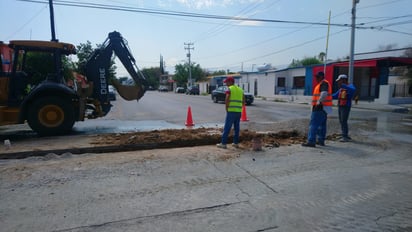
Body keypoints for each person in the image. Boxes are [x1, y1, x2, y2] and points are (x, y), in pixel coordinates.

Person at [302, 71, 332, 147]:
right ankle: (321, 140)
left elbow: (324, 93)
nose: (316, 78)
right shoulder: (323, 84)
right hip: (324, 108)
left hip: (319, 107)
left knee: (313, 125)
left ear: (321, 77)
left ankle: (311, 141)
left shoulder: (323, 83)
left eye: (317, 77)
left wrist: (319, 102)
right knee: (322, 125)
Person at [217, 76, 245, 149]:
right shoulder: (240, 89)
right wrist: (240, 107)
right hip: (238, 112)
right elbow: (243, 100)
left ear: (231, 82)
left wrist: (226, 108)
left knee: (227, 127)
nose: (226, 84)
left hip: (231, 111)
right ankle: (235, 143)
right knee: (237, 128)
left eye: (227, 82)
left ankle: (223, 144)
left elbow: (227, 98)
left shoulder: (230, 89)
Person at [332, 74, 356, 142]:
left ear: (343, 80)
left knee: (344, 121)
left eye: (339, 81)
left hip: (346, 106)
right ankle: (344, 134)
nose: (338, 82)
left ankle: (345, 136)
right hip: (340, 106)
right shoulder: (341, 89)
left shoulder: (350, 86)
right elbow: (335, 95)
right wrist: (327, 95)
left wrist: (343, 85)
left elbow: (353, 90)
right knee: (341, 121)